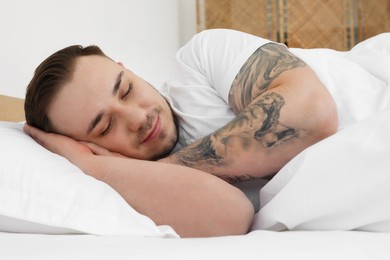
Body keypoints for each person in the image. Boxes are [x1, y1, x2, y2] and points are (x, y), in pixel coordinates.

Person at [24, 29, 341, 237]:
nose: (137, 118)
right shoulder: (123, 182)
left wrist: (162, 169)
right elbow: (230, 217)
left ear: (129, 69)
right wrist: (93, 168)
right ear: (83, 146)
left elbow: (314, 114)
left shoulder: (200, 59)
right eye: (105, 127)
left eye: (127, 89)